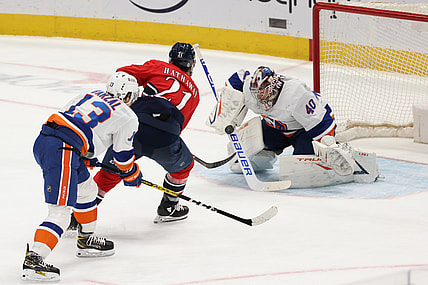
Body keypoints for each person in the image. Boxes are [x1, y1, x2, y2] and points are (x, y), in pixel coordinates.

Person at [22, 72, 142, 282]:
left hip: (48, 140)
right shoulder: (128, 116)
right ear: (128, 95)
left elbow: (72, 121)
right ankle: (34, 259)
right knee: (60, 212)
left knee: (87, 190)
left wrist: (82, 154)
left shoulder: (90, 93)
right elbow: (122, 158)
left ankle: (86, 240)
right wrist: (132, 173)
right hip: (63, 150)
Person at [67, 42, 199, 227]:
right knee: (184, 166)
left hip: (132, 125)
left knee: (109, 174)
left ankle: (76, 219)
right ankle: (169, 207)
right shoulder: (195, 93)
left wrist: (138, 88)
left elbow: (122, 74)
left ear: (170, 59)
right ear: (191, 65)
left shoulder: (159, 67)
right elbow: (179, 127)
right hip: (165, 137)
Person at [207, 66, 381, 187]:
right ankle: (266, 155)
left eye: (264, 94)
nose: (260, 99)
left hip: (306, 130)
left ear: (274, 86)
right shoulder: (249, 88)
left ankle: (347, 162)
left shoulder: (296, 95)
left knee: (299, 171)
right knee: (255, 146)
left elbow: (322, 125)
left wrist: (327, 148)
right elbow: (235, 81)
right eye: (256, 94)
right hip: (277, 127)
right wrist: (225, 113)